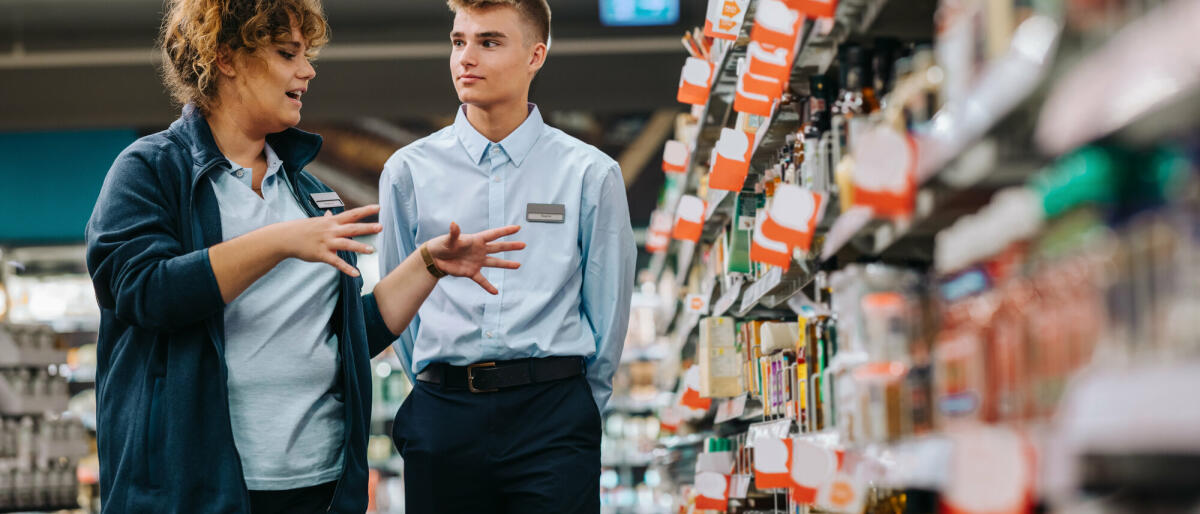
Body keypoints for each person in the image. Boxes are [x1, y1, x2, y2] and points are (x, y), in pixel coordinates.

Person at [85, 1, 524, 512]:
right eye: (286, 53)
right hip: (196, 487)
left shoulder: (310, 193)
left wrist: (428, 263)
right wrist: (278, 242)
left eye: (306, 54)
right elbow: (144, 293)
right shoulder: (151, 170)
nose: (308, 70)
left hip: (319, 485)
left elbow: (345, 336)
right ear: (226, 57)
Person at [378, 0, 637, 512]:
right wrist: (440, 389)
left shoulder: (589, 173)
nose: (465, 58)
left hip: (553, 419)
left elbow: (608, 312)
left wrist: (579, 409)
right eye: (458, 41)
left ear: (535, 55)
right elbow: (396, 306)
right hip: (444, 416)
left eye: (489, 42)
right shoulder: (408, 172)